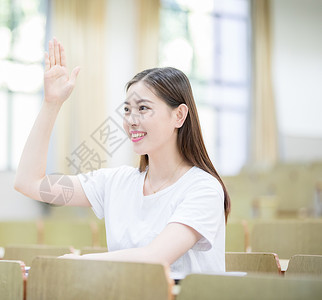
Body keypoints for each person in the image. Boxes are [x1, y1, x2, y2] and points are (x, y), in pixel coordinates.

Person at [14, 38, 230, 275]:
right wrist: (51, 103)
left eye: (143, 108)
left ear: (179, 115)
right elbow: (30, 183)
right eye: (127, 110)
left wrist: (79, 261)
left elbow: (155, 258)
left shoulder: (204, 188)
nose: (131, 120)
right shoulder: (116, 182)